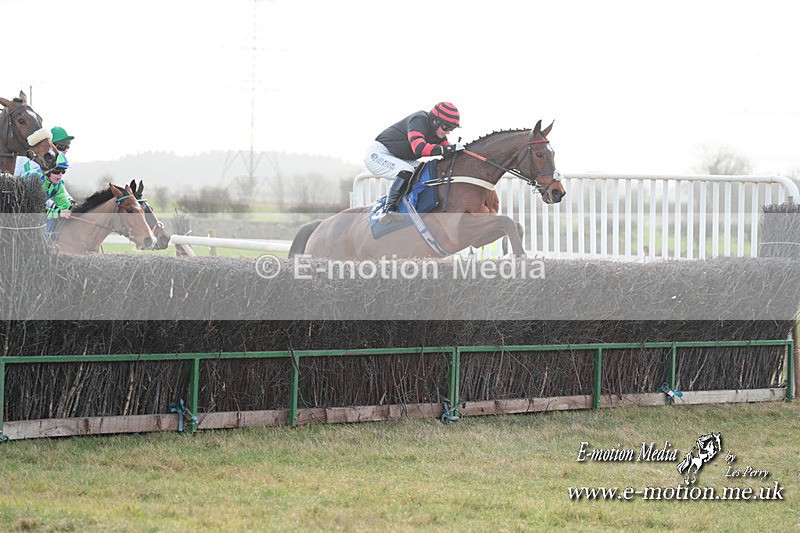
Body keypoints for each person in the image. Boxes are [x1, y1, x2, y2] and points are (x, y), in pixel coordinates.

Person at [365, 102, 465, 224]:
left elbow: (449, 151)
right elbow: (419, 148)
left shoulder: (438, 134)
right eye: (446, 127)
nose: (448, 132)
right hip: (379, 153)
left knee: (427, 172)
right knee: (406, 171)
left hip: (399, 158)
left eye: (451, 128)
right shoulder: (418, 120)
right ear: (435, 121)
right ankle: (388, 210)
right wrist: (448, 149)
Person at [22, 152, 74, 235]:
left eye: (63, 171)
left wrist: (74, 210)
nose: (60, 175)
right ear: (47, 170)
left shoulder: (58, 184)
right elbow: (33, 209)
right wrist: (58, 213)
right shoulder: (35, 178)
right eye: (57, 171)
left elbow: (63, 203)